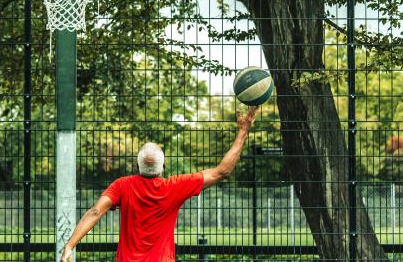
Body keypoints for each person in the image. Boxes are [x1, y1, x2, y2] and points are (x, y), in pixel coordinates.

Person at [59, 106, 258, 261]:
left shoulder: (121, 186)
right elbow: (222, 171)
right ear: (163, 167)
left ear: (137, 166)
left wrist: (69, 246)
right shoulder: (175, 186)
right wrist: (243, 131)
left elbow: (95, 212)